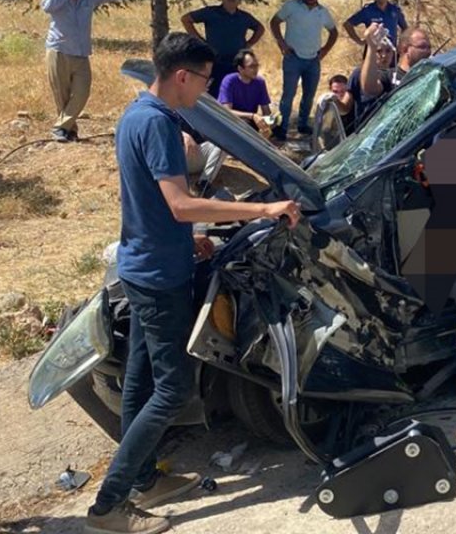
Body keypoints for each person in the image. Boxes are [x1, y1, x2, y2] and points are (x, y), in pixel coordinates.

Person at [86, 33, 300, 534]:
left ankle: (143, 478)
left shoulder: (134, 115)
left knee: (140, 382)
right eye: (204, 80)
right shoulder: (159, 125)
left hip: (146, 265)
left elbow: (150, 204)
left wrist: (189, 240)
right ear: (182, 75)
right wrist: (263, 207)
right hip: (160, 278)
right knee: (172, 387)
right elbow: (180, 203)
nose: (205, 90)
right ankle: (107, 507)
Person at [42, 0, 147, 142]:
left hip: (81, 54)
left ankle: (60, 127)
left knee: (82, 92)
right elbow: (48, 7)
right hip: (59, 51)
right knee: (62, 95)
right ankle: (69, 131)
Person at [270, 0, 338, 142]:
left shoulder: (323, 12)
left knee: (309, 95)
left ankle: (302, 124)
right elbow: (274, 22)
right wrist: (281, 43)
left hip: (313, 59)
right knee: (288, 94)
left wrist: (325, 50)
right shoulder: (292, 6)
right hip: (293, 56)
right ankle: (282, 127)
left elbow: (334, 32)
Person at [180, 0, 265, 98]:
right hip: (215, 61)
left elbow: (260, 28)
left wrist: (249, 44)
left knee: (234, 94)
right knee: (210, 94)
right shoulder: (211, 12)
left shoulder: (244, 17)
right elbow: (186, 19)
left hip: (236, 63)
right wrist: (200, 41)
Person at [342, 0, 408, 48]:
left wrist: (401, 44)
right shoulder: (368, 11)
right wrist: (360, 41)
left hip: (391, 53)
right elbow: (347, 24)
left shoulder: (395, 10)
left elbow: (405, 28)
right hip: (372, 53)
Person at [217, 49, 273, 126]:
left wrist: (271, 122)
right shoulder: (229, 81)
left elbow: (266, 110)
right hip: (231, 122)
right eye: (251, 66)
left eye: (256, 66)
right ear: (240, 69)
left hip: (251, 122)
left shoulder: (260, 82)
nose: (255, 69)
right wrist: (252, 116)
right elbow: (227, 111)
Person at [311, 74, 352, 153]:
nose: (339, 95)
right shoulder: (327, 103)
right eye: (335, 91)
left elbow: (344, 110)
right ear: (330, 90)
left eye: (342, 91)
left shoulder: (350, 102)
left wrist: (336, 100)